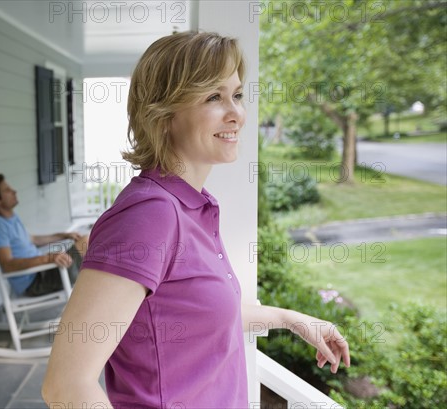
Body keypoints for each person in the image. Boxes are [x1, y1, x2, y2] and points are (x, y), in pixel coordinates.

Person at [42, 32, 350, 408]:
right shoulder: (149, 215)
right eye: (213, 97)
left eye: (236, 95)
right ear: (164, 114)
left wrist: (291, 318)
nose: (236, 113)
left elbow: (195, 315)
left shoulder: (191, 207)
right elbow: (66, 384)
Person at [0, 174, 89, 297]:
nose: (14, 191)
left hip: (45, 269)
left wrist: (64, 235)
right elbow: (7, 264)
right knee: (88, 242)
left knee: (88, 242)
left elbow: (33, 239)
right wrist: (47, 258)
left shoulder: (12, 218)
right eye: (7, 190)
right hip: (35, 280)